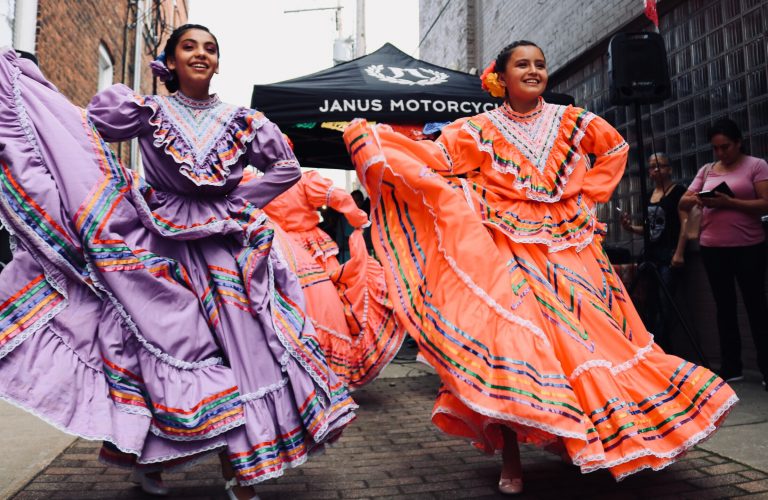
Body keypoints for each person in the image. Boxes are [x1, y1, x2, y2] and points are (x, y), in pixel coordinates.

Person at [343, 40, 737, 494]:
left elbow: (614, 149)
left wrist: (587, 198)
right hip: (508, 250)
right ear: (501, 78)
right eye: (522, 65)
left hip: (573, 251)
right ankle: (512, 460)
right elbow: (438, 161)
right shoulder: (477, 130)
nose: (534, 70)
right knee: (516, 348)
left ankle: (587, 437)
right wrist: (379, 142)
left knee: (590, 344)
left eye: (540, 64)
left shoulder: (572, 121)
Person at [0, 25, 356, 500]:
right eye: (189, 46)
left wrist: (234, 201)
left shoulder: (243, 120)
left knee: (244, 352)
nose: (201, 54)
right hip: (157, 243)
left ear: (217, 63)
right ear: (170, 62)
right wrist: (28, 91)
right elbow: (83, 132)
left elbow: (286, 168)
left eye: (210, 48)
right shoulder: (148, 110)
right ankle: (151, 457)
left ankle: (243, 470)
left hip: (223, 248)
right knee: (162, 346)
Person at [256, 168, 404, 388]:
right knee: (334, 304)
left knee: (289, 308)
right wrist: (358, 219)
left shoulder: (259, 184)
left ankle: (298, 373)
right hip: (310, 249)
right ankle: (326, 371)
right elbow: (339, 197)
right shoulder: (303, 180)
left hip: (280, 248)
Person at [679, 118, 768, 390]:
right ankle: (732, 367)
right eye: (716, 148)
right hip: (712, 247)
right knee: (724, 307)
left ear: (738, 143)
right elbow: (683, 200)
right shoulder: (708, 170)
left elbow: (765, 203)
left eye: (725, 147)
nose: (721, 153)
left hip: (749, 246)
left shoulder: (756, 165)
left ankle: (766, 368)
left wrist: (730, 202)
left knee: (756, 307)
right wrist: (698, 198)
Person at [620, 152, 687, 349]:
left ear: (669, 169)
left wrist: (679, 252)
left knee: (666, 303)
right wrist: (630, 228)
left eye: (660, 165)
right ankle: (651, 345)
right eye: (651, 167)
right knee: (648, 301)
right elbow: (651, 229)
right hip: (651, 255)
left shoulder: (678, 192)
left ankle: (665, 346)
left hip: (669, 254)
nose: (655, 170)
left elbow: (684, 223)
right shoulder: (649, 195)